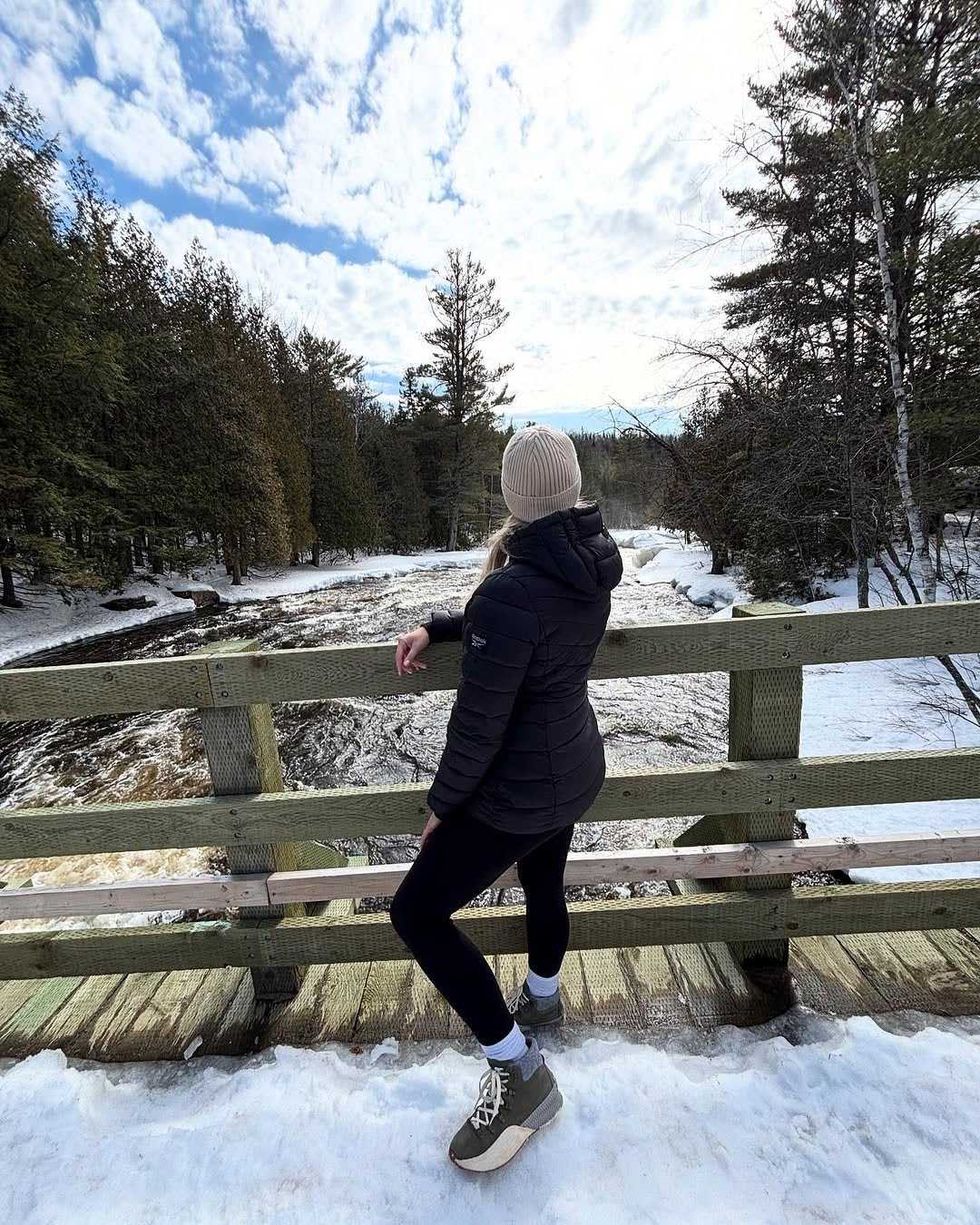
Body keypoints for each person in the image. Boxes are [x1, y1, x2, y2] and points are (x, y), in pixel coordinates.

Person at [390, 424, 623, 1173]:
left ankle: (518, 1071)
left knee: (416, 912)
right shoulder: (594, 562)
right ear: (572, 489)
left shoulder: (511, 588)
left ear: (512, 498)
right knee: (543, 879)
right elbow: (528, 623)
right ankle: (543, 1000)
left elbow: (477, 729)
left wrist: (441, 807)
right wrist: (443, 624)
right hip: (573, 771)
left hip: (518, 789)